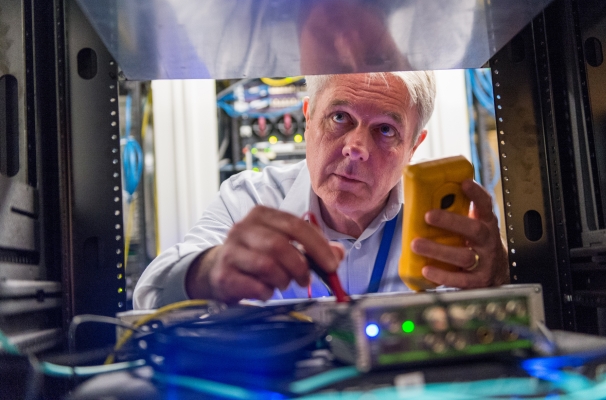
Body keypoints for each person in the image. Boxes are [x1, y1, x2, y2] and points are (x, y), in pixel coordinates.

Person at [133, 71, 509, 309]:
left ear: (414, 145)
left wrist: (497, 283)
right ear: (309, 116)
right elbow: (149, 295)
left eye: (385, 130)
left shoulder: (444, 224)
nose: (356, 147)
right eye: (340, 117)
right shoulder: (249, 200)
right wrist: (210, 270)